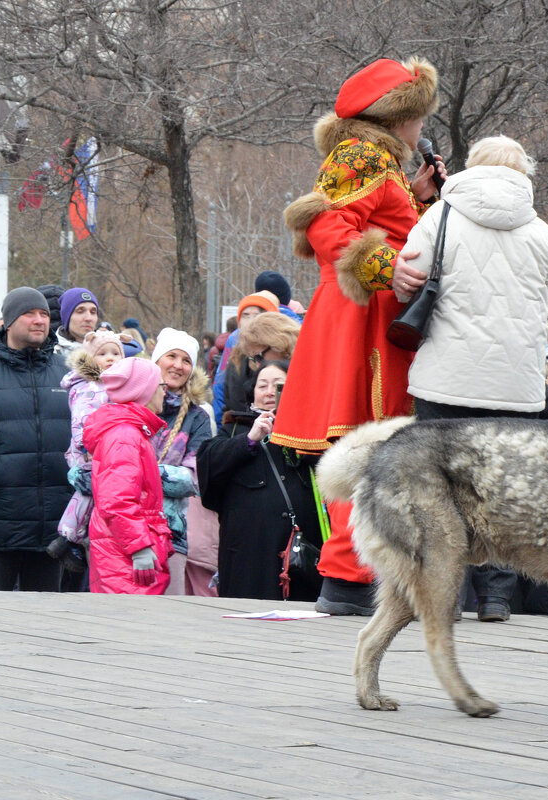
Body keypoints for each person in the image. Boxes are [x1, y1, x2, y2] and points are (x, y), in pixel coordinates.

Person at [273, 56, 444, 616]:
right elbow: (326, 227)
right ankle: (349, 578)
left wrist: (415, 197)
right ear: (400, 117)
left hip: (362, 314)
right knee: (367, 444)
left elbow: (376, 220)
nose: (423, 129)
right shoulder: (362, 154)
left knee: (372, 446)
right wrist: (385, 268)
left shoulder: (378, 161)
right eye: (419, 117)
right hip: (362, 317)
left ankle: (352, 577)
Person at [400, 134, 548, 622]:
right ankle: (496, 597)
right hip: (516, 389)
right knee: (503, 490)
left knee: (439, 490)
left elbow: (406, 280)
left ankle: (444, 595)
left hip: (444, 380)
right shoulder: (541, 231)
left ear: (470, 168)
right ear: (524, 173)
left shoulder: (440, 215)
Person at [0, 287, 72, 591]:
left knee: (46, 626)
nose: (39, 320)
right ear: (9, 321)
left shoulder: (66, 373)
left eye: (43, 314)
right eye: (29, 313)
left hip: (53, 529)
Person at [198, 360, 324, 602]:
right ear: (252, 394)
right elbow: (209, 467)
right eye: (261, 385)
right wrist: (251, 439)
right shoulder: (234, 430)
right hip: (249, 559)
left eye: (278, 385)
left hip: (302, 558)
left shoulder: (312, 432)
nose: (268, 392)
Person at [84, 358, 172, 595]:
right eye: (161, 386)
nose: (165, 393)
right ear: (144, 391)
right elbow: (116, 501)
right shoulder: (125, 435)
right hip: (125, 554)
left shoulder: (129, 432)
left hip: (123, 547)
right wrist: (139, 547)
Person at [50, 330, 126, 575]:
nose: (110, 358)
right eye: (103, 353)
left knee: (92, 494)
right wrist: (90, 445)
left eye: (116, 353)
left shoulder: (111, 385)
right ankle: (68, 538)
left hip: (101, 449)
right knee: (88, 493)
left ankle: (72, 538)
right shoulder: (90, 387)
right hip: (88, 451)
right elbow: (82, 421)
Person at [150, 328, 216, 596]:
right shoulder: (128, 402)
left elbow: (190, 480)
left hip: (171, 533)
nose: (178, 365)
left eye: (186, 360)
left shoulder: (197, 417)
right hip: (122, 529)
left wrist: (135, 473)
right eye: (171, 356)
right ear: (156, 360)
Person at [211, 290, 279, 419]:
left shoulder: (283, 353)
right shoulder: (234, 352)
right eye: (245, 315)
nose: (251, 321)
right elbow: (220, 389)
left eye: (258, 315)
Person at [223, 311, 299, 418]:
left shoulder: (311, 374)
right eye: (253, 359)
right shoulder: (241, 374)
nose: (257, 365)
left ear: (279, 345)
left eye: (259, 357)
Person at [54, 287, 101, 357]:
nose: (88, 318)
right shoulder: (51, 354)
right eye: (80, 311)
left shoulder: (113, 351)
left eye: (93, 312)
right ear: (67, 317)